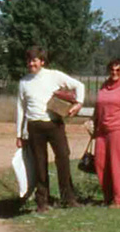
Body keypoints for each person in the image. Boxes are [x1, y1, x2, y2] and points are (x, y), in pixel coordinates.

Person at [16, 45, 84, 213]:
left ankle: (68, 198)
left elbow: (79, 86)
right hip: (34, 126)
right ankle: (42, 201)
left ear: (42, 61)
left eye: (35, 60)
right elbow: (20, 109)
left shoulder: (54, 76)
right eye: (29, 60)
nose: (32, 63)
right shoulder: (24, 82)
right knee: (39, 164)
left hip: (54, 124)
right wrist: (19, 133)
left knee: (63, 158)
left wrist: (78, 104)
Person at [91, 57, 120, 208]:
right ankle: (108, 196)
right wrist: (94, 123)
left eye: (118, 70)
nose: (114, 72)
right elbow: (98, 107)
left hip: (119, 128)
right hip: (102, 130)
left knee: (117, 164)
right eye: (112, 69)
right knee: (100, 163)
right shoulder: (105, 85)